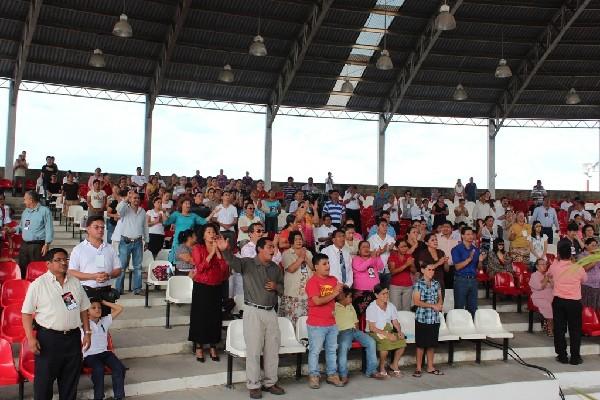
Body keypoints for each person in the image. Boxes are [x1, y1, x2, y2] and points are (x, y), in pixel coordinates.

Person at [21, 248, 91, 400]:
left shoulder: (75, 282)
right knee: (44, 384)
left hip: (72, 339)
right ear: (48, 264)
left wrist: (87, 332)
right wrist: (31, 338)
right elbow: (26, 313)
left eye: (65, 259)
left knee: (70, 383)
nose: (63, 263)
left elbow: (84, 309)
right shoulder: (38, 284)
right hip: (49, 340)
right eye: (58, 260)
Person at [221, 237, 286, 399]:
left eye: (274, 247)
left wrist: (276, 287)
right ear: (259, 249)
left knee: (272, 350)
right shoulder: (247, 263)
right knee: (254, 350)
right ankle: (254, 384)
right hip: (253, 311)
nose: (273, 250)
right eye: (270, 247)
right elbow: (232, 261)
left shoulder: (275, 268)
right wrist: (224, 250)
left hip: (271, 312)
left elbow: (282, 288)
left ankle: (270, 382)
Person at [189, 223, 229, 362]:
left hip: (216, 285)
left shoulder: (219, 248)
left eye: (213, 232)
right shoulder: (197, 248)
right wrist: (211, 253)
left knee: (214, 317)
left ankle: (213, 346)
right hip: (202, 286)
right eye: (209, 232)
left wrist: (217, 251)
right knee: (200, 317)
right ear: (204, 235)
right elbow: (199, 268)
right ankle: (199, 346)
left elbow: (224, 269)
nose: (212, 234)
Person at [305, 253, 345, 389]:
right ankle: (314, 376)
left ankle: (332, 375)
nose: (328, 266)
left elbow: (339, 299)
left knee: (332, 350)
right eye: (324, 264)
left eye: (328, 263)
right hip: (316, 324)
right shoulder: (312, 282)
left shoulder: (333, 279)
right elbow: (316, 301)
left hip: (331, 322)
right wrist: (333, 293)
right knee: (315, 351)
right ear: (316, 267)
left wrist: (340, 291)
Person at [335, 286, 385, 383]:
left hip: (354, 331)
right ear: (342, 297)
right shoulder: (334, 307)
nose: (351, 299)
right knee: (344, 346)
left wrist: (357, 335)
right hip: (342, 332)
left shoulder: (351, 307)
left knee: (371, 342)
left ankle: (371, 371)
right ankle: (343, 374)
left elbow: (356, 322)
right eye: (349, 297)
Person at [549, 241, 587, 365]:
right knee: (575, 330)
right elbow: (584, 279)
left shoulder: (555, 266)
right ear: (571, 255)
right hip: (574, 302)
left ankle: (562, 356)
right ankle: (575, 357)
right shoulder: (577, 267)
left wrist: (556, 259)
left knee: (559, 329)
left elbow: (549, 274)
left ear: (559, 254)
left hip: (559, 301)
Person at [68, 216, 121, 304]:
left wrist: (108, 275)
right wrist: (93, 276)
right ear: (88, 229)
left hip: (106, 291)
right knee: (87, 317)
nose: (100, 230)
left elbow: (118, 270)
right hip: (86, 291)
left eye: (102, 227)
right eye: (96, 227)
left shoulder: (110, 248)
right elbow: (72, 272)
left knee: (107, 317)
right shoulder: (78, 249)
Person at [83, 298, 126, 400]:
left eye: (99, 308)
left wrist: (104, 302)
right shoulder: (83, 323)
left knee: (120, 368)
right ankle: (98, 396)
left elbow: (120, 308)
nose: (97, 310)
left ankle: (119, 396)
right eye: (93, 308)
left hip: (105, 353)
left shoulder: (104, 321)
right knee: (99, 369)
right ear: (87, 311)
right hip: (90, 355)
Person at [366, 284, 406, 378]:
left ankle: (394, 365)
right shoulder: (372, 307)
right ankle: (382, 366)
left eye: (387, 293)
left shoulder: (391, 306)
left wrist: (399, 331)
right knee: (386, 343)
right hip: (374, 332)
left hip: (388, 330)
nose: (386, 296)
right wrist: (387, 335)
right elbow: (372, 328)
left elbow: (395, 321)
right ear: (376, 295)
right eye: (383, 294)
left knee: (402, 341)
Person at [412, 263, 444, 377]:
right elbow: (416, 302)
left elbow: (440, 297)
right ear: (423, 270)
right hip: (422, 317)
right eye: (429, 269)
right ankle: (418, 368)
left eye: (433, 270)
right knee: (420, 345)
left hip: (434, 318)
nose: (432, 271)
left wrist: (439, 305)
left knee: (431, 344)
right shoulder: (418, 284)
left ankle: (430, 367)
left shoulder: (436, 283)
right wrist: (432, 306)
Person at [12, 191, 54, 278]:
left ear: (31, 200)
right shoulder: (26, 212)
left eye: (25, 199)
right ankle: (24, 288)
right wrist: (12, 229)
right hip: (24, 245)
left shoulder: (44, 211)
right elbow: (24, 227)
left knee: (37, 271)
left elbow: (49, 228)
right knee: (22, 269)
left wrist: (47, 244)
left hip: (37, 246)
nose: (24, 202)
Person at [115, 191, 149, 295]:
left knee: (138, 266)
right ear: (130, 199)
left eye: (138, 198)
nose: (136, 200)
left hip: (138, 241)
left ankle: (137, 289)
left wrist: (146, 240)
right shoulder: (125, 209)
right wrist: (126, 198)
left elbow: (145, 227)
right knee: (122, 266)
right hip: (125, 241)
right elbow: (118, 209)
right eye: (134, 198)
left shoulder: (142, 211)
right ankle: (118, 289)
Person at [280, 231, 313, 326]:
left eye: (300, 239)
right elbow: (291, 269)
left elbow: (314, 268)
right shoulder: (287, 253)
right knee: (293, 321)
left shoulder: (308, 253)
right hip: (293, 293)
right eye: (296, 239)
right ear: (291, 242)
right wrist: (301, 257)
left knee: (306, 321)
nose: (299, 241)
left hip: (307, 292)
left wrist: (306, 258)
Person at [451, 226, 486, 316]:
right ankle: (458, 328)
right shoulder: (456, 249)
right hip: (461, 280)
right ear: (462, 236)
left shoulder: (476, 249)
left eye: (472, 234)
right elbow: (457, 267)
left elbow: (479, 268)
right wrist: (469, 259)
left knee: (473, 308)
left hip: (473, 280)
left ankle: (472, 327)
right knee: (459, 307)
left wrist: (481, 261)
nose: (471, 236)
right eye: (468, 234)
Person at [165, 198, 206, 264]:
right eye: (186, 203)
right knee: (176, 259)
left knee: (189, 260)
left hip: (189, 241)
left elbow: (204, 221)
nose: (188, 205)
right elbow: (166, 222)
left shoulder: (193, 215)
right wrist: (163, 213)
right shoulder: (176, 214)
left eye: (189, 204)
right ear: (181, 205)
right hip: (178, 240)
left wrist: (213, 213)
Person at [352, 241, 385, 315]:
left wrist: (378, 256)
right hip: (362, 292)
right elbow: (361, 268)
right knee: (362, 314)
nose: (366, 249)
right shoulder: (356, 259)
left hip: (375, 291)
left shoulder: (373, 258)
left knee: (375, 313)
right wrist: (371, 258)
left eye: (367, 247)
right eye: (363, 247)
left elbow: (381, 267)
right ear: (359, 251)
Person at [367, 217, 396, 288]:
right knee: (376, 292)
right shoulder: (371, 239)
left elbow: (396, 253)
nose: (385, 227)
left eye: (386, 225)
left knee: (387, 292)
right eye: (382, 225)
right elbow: (369, 254)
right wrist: (382, 251)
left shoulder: (391, 238)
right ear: (377, 227)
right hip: (376, 270)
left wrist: (392, 250)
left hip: (388, 270)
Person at [388, 240, 415, 311]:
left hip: (408, 286)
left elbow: (414, 271)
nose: (405, 248)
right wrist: (406, 265)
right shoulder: (392, 256)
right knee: (395, 310)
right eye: (402, 247)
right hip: (395, 286)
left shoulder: (409, 256)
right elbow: (392, 272)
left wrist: (411, 264)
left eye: (406, 246)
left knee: (407, 310)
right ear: (397, 248)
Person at [529, 258, 554, 336]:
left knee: (560, 304)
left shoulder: (548, 275)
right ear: (537, 266)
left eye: (545, 264)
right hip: (539, 298)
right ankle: (550, 329)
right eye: (542, 264)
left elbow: (554, 286)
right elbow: (540, 287)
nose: (544, 266)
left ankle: (553, 326)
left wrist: (550, 280)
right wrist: (546, 278)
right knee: (548, 306)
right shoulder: (534, 275)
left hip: (551, 296)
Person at [579, 238, 600, 311]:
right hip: (587, 286)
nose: (595, 247)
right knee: (588, 308)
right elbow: (584, 269)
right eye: (593, 245)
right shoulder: (582, 256)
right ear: (586, 246)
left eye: (596, 246)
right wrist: (594, 261)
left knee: (597, 308)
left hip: (598, 285)